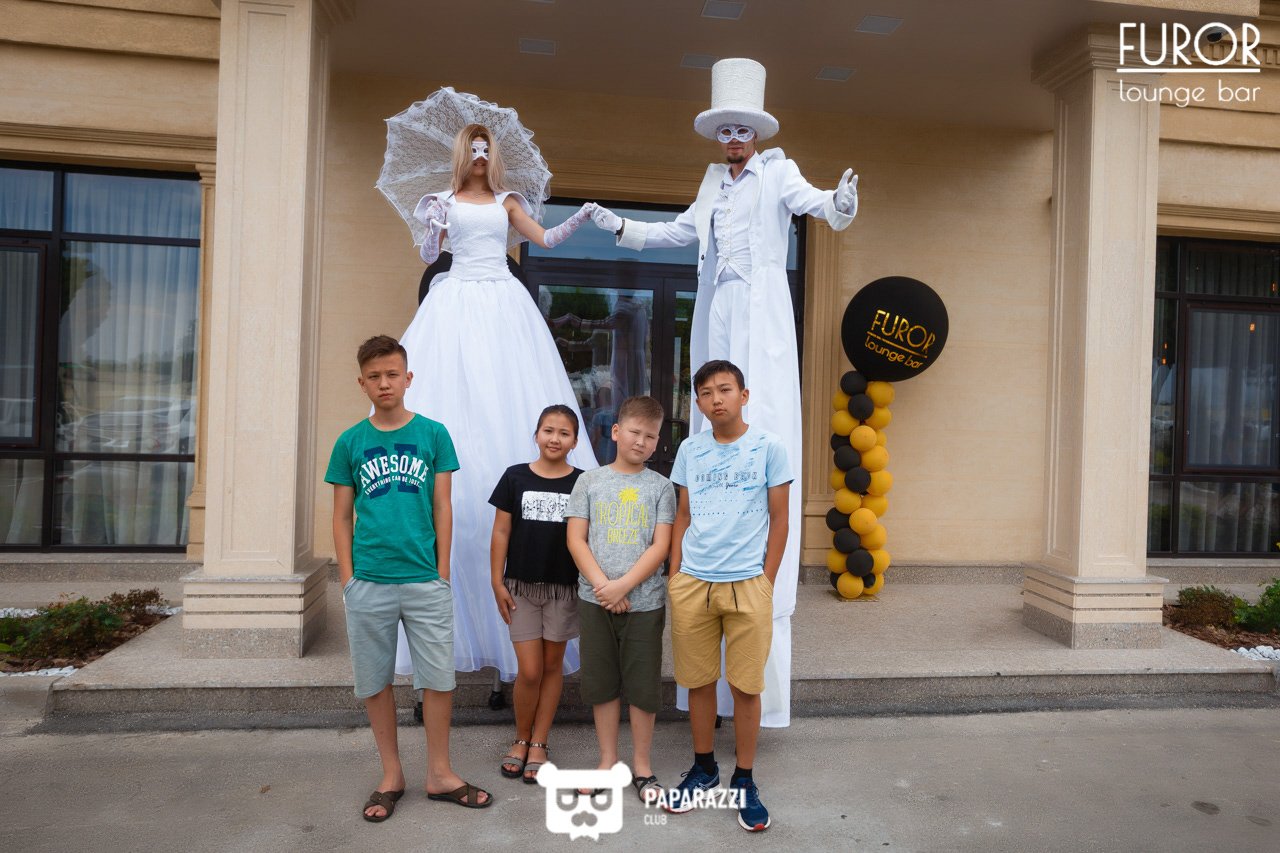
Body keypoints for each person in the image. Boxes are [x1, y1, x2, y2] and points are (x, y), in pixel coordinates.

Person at [588, 57, 859, 728]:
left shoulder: (778, 172)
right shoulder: (712, 181)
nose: (734, 140)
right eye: (726, 132)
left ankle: (761, 650)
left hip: (761, 307)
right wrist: (621, 227)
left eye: (742, 131)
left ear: (756, 135)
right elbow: (680, 231)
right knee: (714, 403)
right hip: (718, 306)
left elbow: (816, 204)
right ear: (718, 138)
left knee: (759, 408)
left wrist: (841, 202)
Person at [394, 122, 598, 686]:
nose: (481, 155)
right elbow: (430, 253)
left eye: (488, 148)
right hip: (455, 301)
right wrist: (433, 224)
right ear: (464, 153)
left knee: (507, 399)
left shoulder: (508, 201)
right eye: (474, 148)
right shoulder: (440, 201)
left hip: (504, 304)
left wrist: (580, 216)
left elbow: (545, 239)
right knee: (457, 406)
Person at [326, 335, 492, 821]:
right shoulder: (350, 442)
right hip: (369, 581)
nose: (384, 383)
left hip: (424, 579)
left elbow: (443, 506)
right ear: (362, 383)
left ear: (408, 378)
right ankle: (391, 774)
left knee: (438, 678)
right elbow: (341, 517)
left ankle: (440, 773)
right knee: (374, 680)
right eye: (374, 376)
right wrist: (348, 580)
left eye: (392, 374)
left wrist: (442, 572)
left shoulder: (433, 435)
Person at [666, 360, 792, 832]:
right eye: (705, 392)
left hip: (747, 584)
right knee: (698, 682)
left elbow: (780, 518)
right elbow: (683, 514)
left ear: (744, 394)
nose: (716, 399)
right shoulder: (689, 449)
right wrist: (675, 574)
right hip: (694, 582)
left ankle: (744, 779)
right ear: (697, 402)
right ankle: (703, 768)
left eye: (724, 389)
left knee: (746, 686)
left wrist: (766, 579)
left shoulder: (769, 447)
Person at [565, 395, 675, 805]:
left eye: (651, 436)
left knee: (643, 686)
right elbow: (576, 538)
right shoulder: (589, 482)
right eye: (634, 432)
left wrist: (623, 586)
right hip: (595, 601)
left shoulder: (661, 487)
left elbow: (660, 546)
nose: (641, 441)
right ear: (616, 431)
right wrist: (603, 587)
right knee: (602, 682)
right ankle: (608, 760)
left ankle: (642, 765)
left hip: (644, 603)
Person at [489, 404, 585, 785]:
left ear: (574, 441)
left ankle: (539, 742)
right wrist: (497, 581)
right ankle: (521, 737)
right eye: (548, 430)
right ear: (536, 435)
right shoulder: (515, 477)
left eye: (564, 433)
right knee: (529, 670)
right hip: (521, 588)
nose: (554, 438)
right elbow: (501, 532)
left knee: (551, 665)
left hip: (563, 588)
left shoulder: (583, 483)